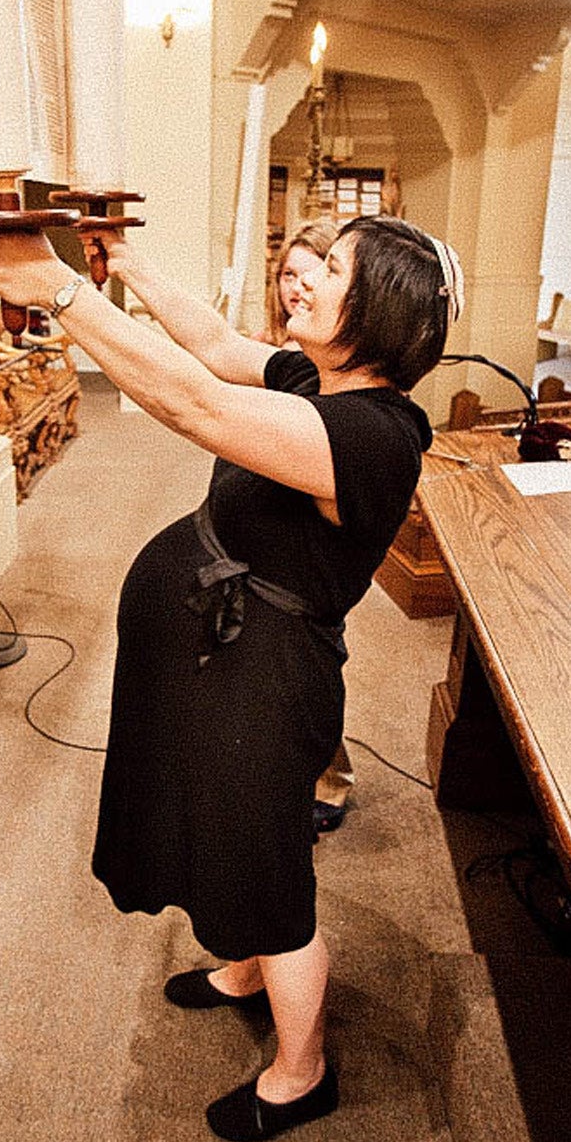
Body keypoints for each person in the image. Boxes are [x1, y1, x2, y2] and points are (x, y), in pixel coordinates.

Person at [0, 214, 463, 1142]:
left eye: (333, 268)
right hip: (219, 658)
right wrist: (130, 267)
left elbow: (193, 402)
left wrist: (65, 295)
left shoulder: (373, 433)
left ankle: (302, 1070)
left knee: (266, 871)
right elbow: (209, 344)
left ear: (383, 308)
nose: (304, 275)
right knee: (218, 834)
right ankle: (241, 969)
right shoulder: (316, 378)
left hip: (264, 679)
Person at [258, 219, 357, 834]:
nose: (297, 287)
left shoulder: (333, 369)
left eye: (312, 273)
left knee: (312, 672)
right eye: (287, 275)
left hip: (311, 549)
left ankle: (333, 777)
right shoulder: (284, 350)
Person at [258, 219, 339, 347]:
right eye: (289, 274)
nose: (296, 287)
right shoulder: (260, 344)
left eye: (311, 276)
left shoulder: (348, 357)